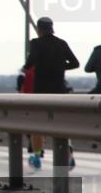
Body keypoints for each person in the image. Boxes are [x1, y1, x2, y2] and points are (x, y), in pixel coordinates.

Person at [25, 17, 79, 169]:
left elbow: (31, 62)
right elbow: (75, 63)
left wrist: (28, 66)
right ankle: (69, 156)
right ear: (52, 28)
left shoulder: (36, 43)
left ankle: (36, 158)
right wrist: (60, 67)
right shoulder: (61, 43)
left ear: (39, 29)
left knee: (38, 125)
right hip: (59, 91)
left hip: (41, 91)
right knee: (61, 124)